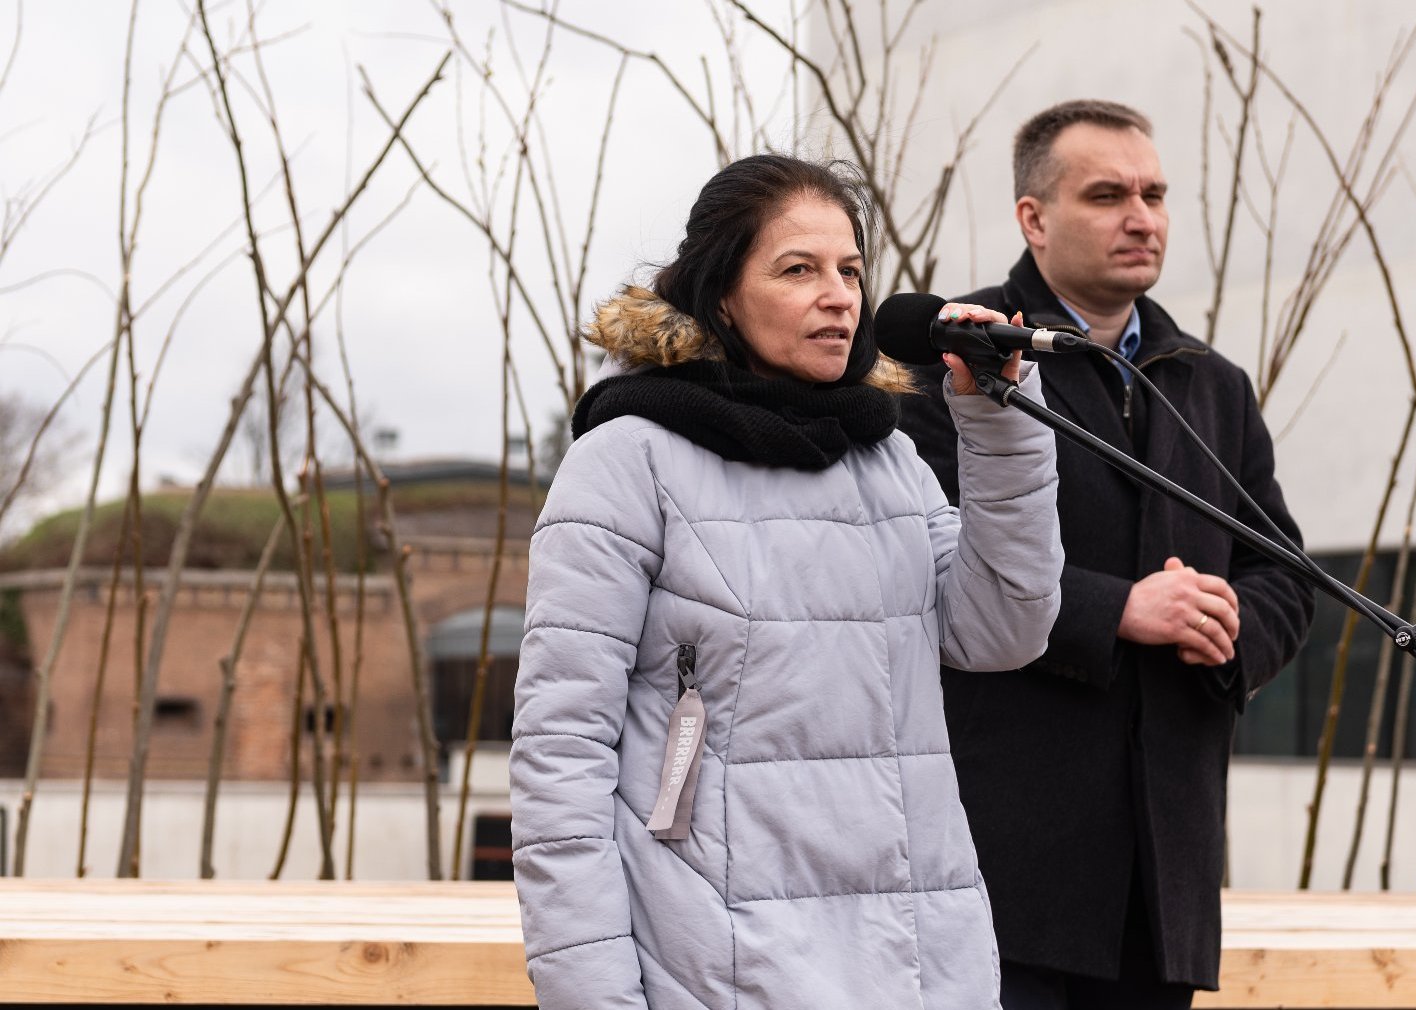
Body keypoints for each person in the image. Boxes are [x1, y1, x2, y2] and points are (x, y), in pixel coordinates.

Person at [509, 153, 1064, 1010]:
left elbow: (1002, 631)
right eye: (797, 269)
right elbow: (560, 763)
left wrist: (997, 428)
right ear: (720, 293)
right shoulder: (626, 462)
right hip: (715, 969)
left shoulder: (889, 460)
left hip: (918, 967)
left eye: (849, 270)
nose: (839, 294)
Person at [897, 100, 1315, 1008]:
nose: (1142, 215)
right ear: (1033, 218)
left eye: (1155, 193)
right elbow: (922, 565)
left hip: (1165, 877)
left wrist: (1232, 627)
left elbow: (1287, 573)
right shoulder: (955, 362)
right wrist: (1113, 610)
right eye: (1108, 193)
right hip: (1007, 865)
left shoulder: (1209, 382)